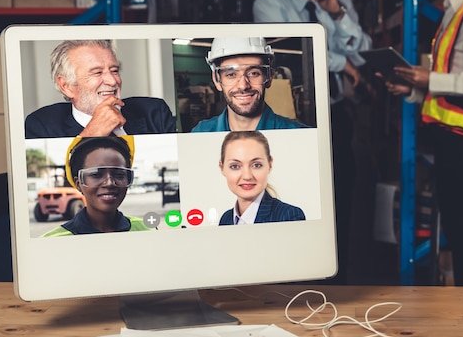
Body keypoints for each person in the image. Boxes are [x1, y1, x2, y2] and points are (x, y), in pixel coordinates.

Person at [382, 0, 463, 286]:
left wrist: (430, 78)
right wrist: (414, 88)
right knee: (458, 229)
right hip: (453, 137)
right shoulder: (456, 10)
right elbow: (455, 81)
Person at [253, 0, 373, 284]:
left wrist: (337, 13)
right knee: (294, 198)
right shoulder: (269, 3)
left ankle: (335, 279)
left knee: (339, 198)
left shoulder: (340, 3)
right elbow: (290, 49)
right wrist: (340, 62)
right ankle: (291, 279)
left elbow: (362, 51)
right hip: (294, 117)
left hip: (335, 114)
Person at [25, 40, 176, 139]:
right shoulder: (41, 126)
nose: (112, 81)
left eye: (115, 70)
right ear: (66, 86)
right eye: (97, 72)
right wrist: (91, 134)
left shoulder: (155, 112)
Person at [191, 37, 309, 132]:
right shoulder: (201, 133)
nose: (243, 86)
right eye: (231, 74)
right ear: (217, 80)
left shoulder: (299, 135)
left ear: (269, 77)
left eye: (253, 73)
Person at [41, 136, 152, 236]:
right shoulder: (52, 241)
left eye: (119, 174)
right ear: (78, 183)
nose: (109, 183)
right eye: (96, 175)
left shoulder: (147, 231)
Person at [218, 130, 305, 225]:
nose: (247, 176)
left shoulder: (289, 216)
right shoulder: (225, 219)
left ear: (270, 164)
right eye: (235, 166)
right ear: (222, 168)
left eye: (256, 165)